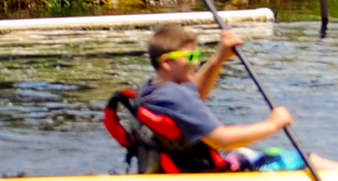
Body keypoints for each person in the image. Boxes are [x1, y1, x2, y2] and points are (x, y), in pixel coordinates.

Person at [128, 23, 308, 171]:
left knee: (259, 152)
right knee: (306, 160)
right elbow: (222, 139)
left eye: (197, 56)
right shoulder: (178, 97)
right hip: (204, 173)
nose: (197, 62)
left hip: (176, 169)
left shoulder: (151, 89)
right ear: (166, 62)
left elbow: (193, 97)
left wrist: (218, 59)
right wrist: (272, 124)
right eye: (190, 57)